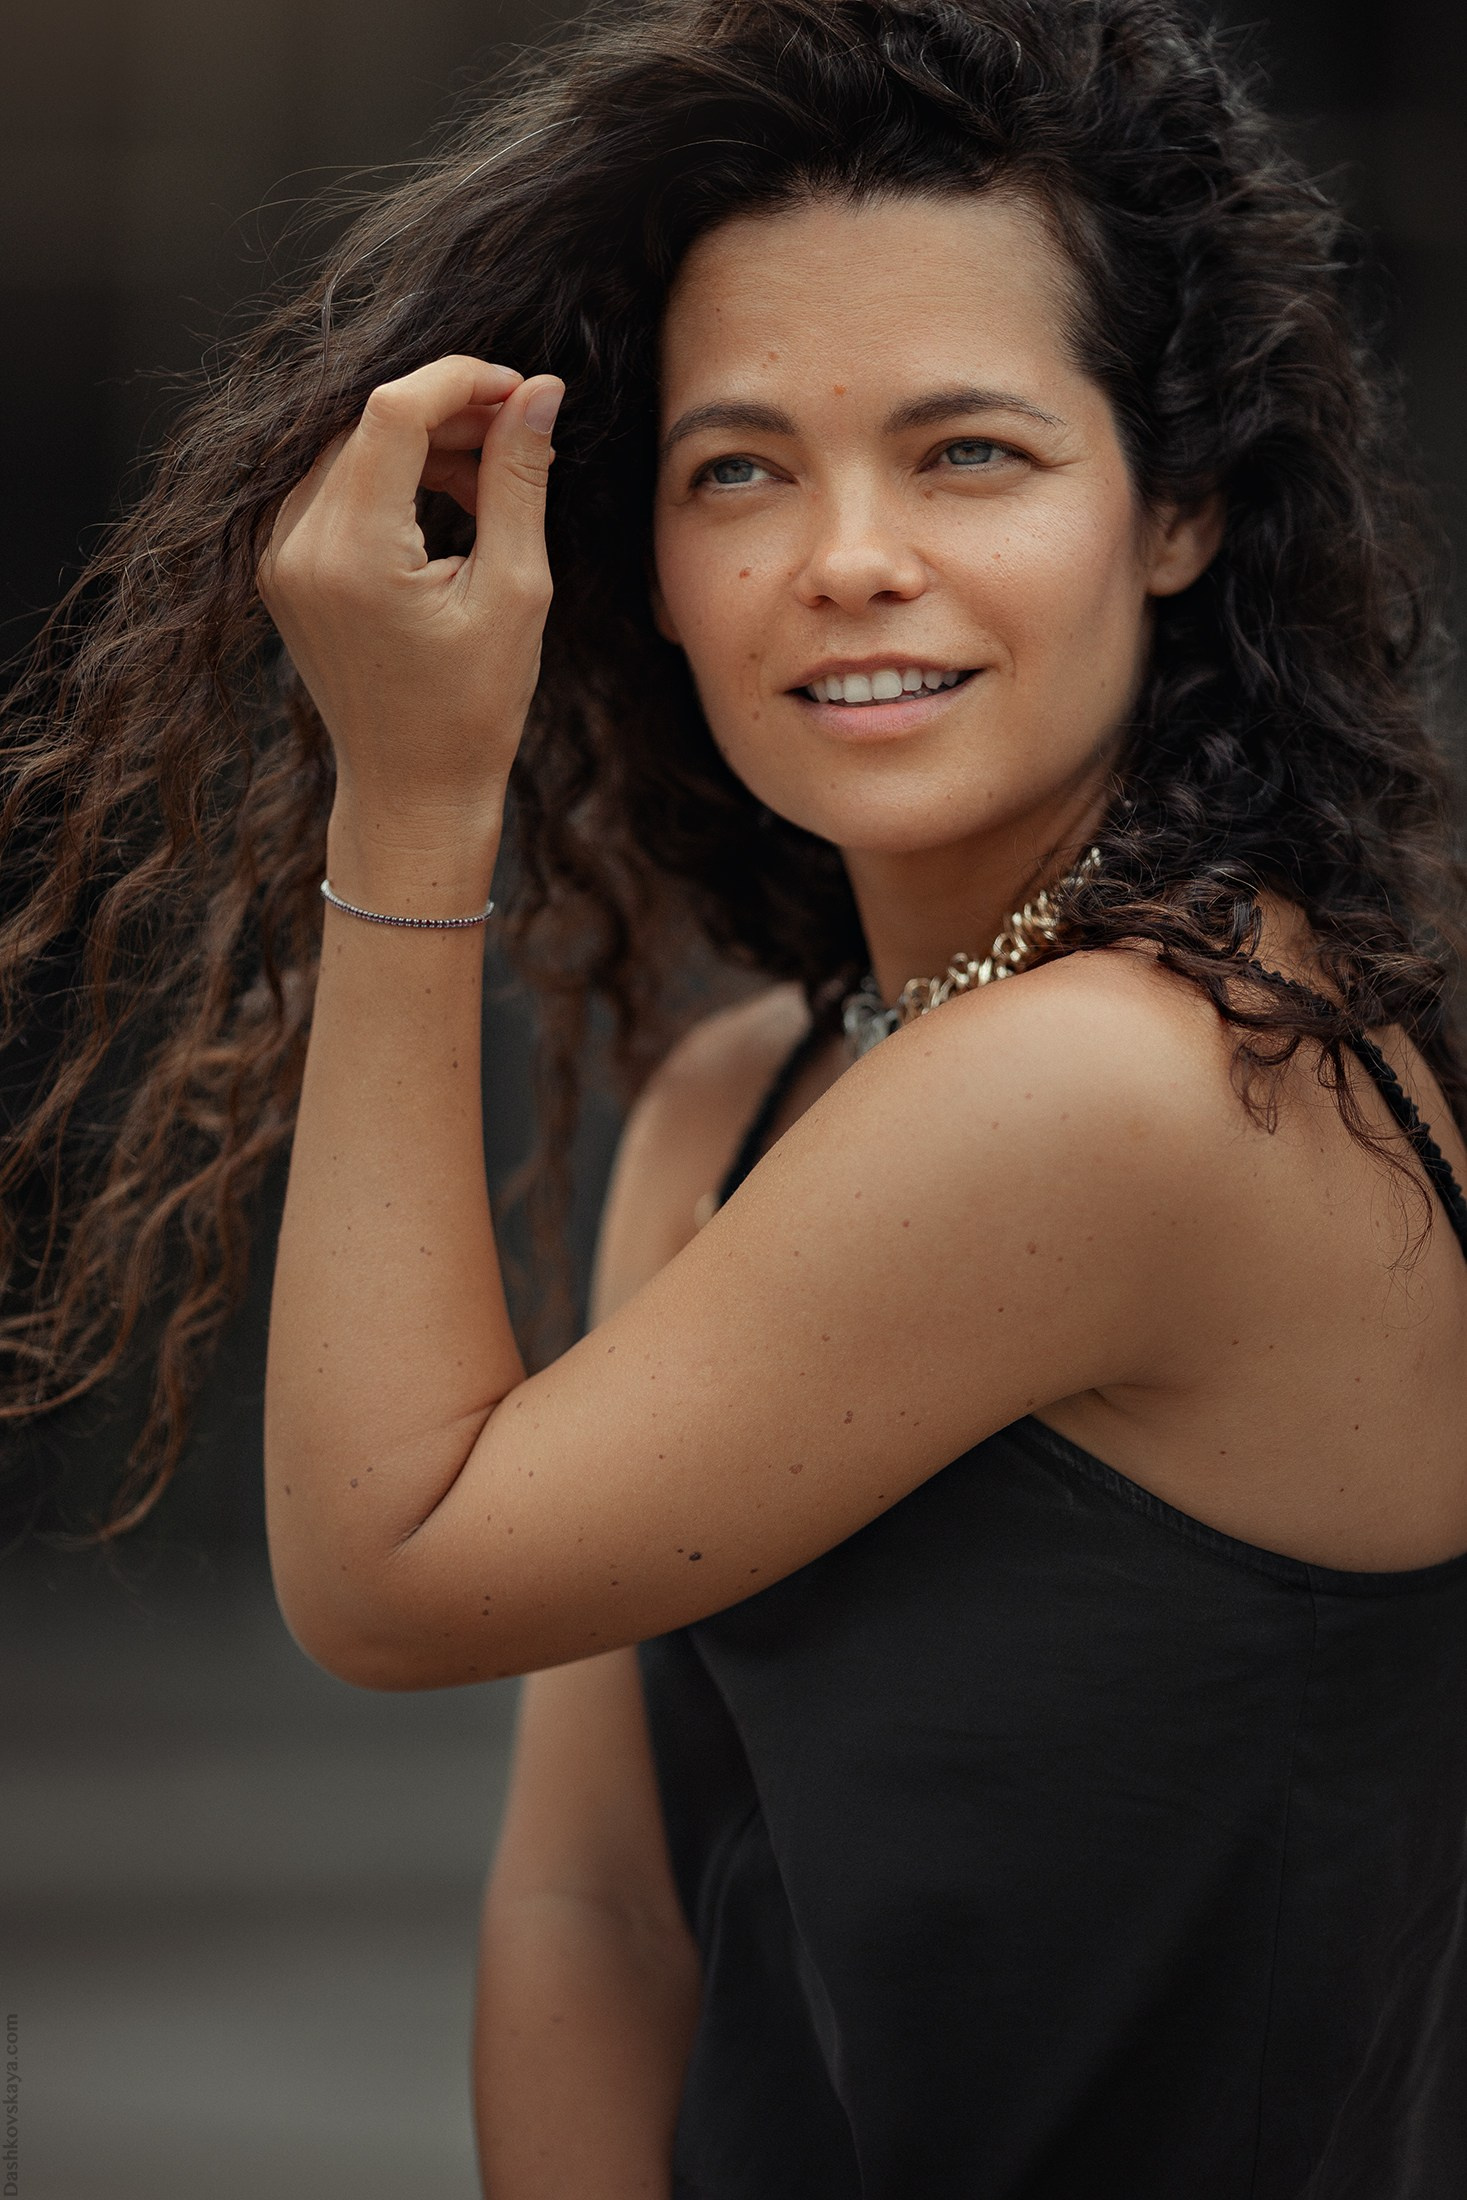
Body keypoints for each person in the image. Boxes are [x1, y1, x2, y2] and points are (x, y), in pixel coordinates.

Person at [4, 0, 1467, 2192]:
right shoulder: (748, 1093)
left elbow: (387, 1577)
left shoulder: (1133, 1082)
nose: (844, 555)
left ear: (1173, 511)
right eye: (739, 470)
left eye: (967, 453)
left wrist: (415, 801)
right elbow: (596, 1901)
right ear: (647, 564)